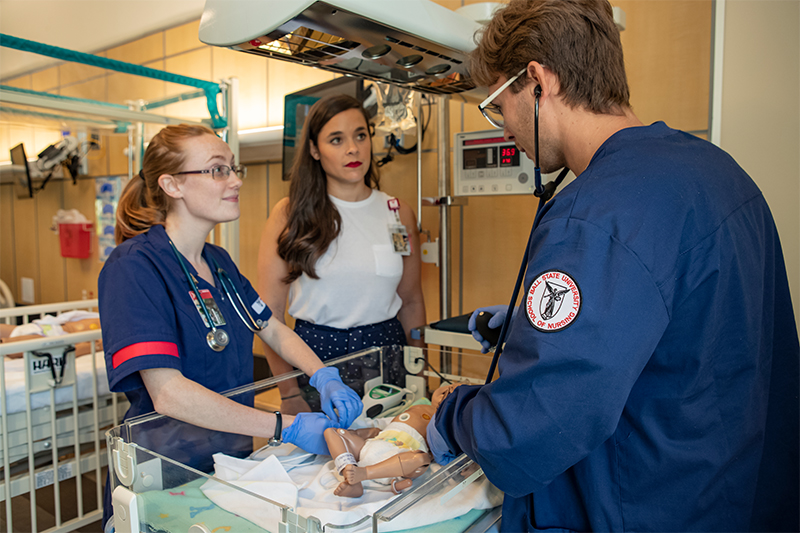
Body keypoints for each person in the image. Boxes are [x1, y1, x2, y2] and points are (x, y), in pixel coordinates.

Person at [426, 1, 800, 531]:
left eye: (497, 106)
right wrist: (533, 329)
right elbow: (697, 332)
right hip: (733, 495)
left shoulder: (594, 218)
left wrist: (450, 415)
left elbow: (528, 429)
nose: (504, 127)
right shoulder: (719, 172)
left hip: (647, 505)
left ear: (538, 82)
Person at [98, 124, 363, 528]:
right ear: (172, 184)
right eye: (217, 170)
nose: (235, 180)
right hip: (163, 466)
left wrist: (324, 376)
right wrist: (285, 426)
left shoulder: (218, 262)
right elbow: (168, 394)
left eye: (234, 168)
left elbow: (270, 328)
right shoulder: (133, 267)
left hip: (228, 460)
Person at [258, 94, 426, 414]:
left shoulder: (397, 212)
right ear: (314, 150)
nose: (353, 149)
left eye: (360, 136)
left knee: (391, 442)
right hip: (316, 357)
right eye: (336, 139)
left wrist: (418, 371)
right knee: (327, 445)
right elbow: (270, 315)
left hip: (387, 353)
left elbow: (412, 301)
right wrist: (288, 393)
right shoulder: (290, 215)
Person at [325, 382, 462, 498]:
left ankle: (364, 473)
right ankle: (349, 473)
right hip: (379, 441)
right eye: (450, 386)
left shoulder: (446, 421)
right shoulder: (419, 405)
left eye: (453, 394)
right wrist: (365, 433)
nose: (449, 390)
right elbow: (383, 428)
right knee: (331, 432)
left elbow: (442, 447)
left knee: (421, 459)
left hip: (402, 458)